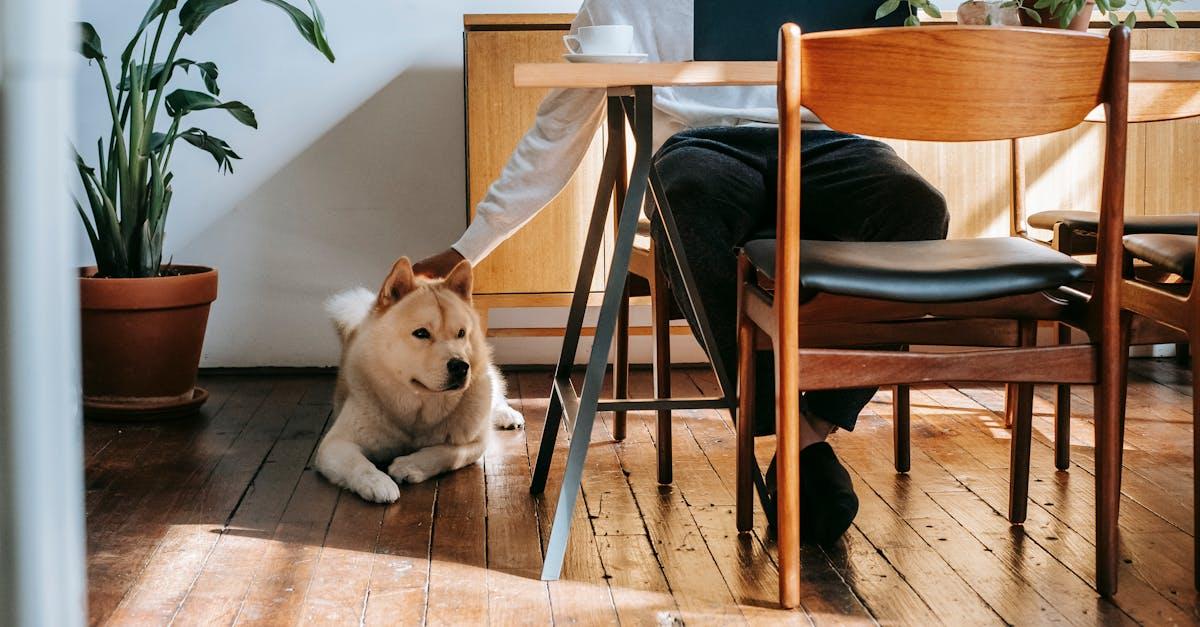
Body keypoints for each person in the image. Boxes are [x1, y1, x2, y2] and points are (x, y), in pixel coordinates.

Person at [416, 0, 949, 544]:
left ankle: (808, 430)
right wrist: (468, 248)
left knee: (919, 209)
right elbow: (556, 135)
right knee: (687, 200)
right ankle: (774, 420)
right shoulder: (616, 5)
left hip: (827, 139)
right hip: (703, 148)